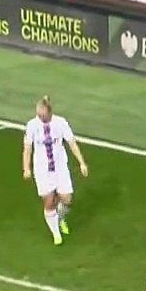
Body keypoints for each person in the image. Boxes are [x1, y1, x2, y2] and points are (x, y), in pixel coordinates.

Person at [21, 96, 89, 245]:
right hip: (42, 170)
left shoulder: (60, 123)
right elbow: (27, 148)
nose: (41, 118)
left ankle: (60, 218)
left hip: (59, 166)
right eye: (39, 115)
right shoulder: (32, 125)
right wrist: (26, 168)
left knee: (67, 199)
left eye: (43, 115)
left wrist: (82, 162)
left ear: (49, 112)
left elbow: (71, 142)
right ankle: (56, 234)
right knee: (49, 201)